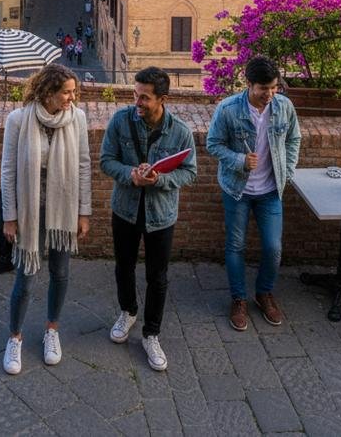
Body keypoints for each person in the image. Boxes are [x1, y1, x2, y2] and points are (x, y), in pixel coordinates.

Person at [100, 67, 196, 371]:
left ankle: (151, 333)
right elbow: (106, 160)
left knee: (158, 276)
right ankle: (128, 311)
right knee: (123, 267)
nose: (137, 102)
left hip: (161, 215)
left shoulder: (180, 131)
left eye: (144, 97)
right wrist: (130, 175)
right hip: (125, 209)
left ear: (162, 99)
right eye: (135, 94)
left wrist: (158, 181)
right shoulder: (120, 121)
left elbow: (189, 172)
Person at [1, 66, 91, 375]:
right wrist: (9, 216)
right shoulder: (18, 120)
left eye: (72, 92)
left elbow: (83, 165)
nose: (71, 97)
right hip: (30, 209)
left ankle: (52, 330)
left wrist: (83, 211)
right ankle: (15, 337)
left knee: (61, 272)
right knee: (25, 276)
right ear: (48, 92)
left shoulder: (76, 118)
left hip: (62, 210)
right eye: (66, 92)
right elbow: (8, 170)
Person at [206, 56, 301, 332]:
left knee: (273, 248)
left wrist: (288, 171)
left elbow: (294, 139)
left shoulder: (283, 107)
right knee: (236, 246)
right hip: (237, 190)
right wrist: (239, 160)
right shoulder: (228, 109)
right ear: (249, 84)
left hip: (271, 190)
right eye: (264, 89)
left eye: (274, 88)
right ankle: (238, 299)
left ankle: (264, 293)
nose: (269, 94)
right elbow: (213, 144)